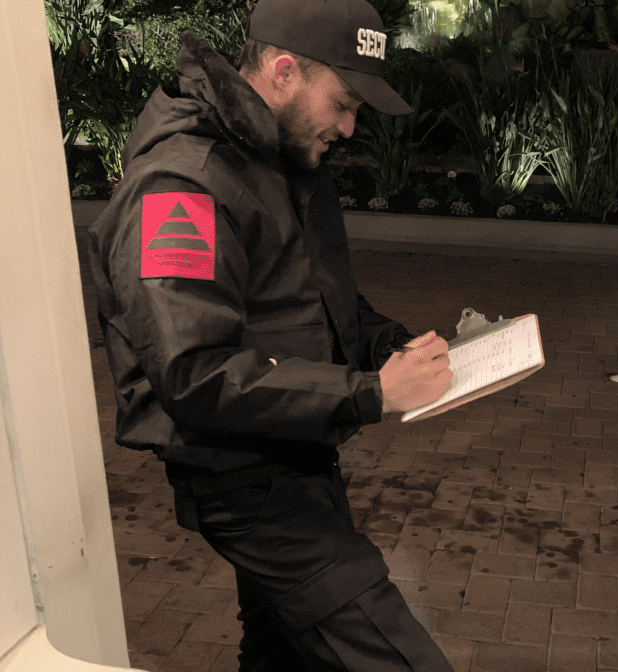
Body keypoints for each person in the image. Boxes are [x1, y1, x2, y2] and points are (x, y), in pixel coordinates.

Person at [86, 0, 455, 669]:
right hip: (244, 479)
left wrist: (392, 349)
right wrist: (371, 394)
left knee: (282, 655)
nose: (348, 127)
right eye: (342, 103)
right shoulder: (182, 185)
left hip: (295, 450)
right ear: (284, 72)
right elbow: (195, 372)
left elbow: (315, 301)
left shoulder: (278, 157)